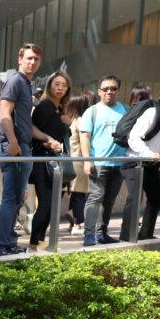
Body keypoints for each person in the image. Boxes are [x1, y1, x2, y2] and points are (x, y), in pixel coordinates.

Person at [0, 43, 59, 256]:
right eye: (29, 58)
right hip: (13, 147)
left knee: (17, 198)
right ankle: (1, 245)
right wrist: (12, 141)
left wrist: (48, 138)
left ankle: (9, 242)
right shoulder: (15, 82)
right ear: (20, 59)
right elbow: (4, 113)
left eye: (36, 59)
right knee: (10, 197)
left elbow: (26, 122)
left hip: (22, 147)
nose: (32, 62)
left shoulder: (26, 84)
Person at [123, 83, 160, 241]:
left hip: (152, 162)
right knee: (134, 197)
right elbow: (133, 137)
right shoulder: (151, 113)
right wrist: (148, 153)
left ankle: (146, 234)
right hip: (134, 160)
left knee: (156, 198)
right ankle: (126, 236)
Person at [79, 76, 128, 246]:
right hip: (99, 162)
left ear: (118, 91)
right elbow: (84, 137)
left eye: (113, 88)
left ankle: (101, 233)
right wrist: (87, 161)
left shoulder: (126, 110)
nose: (109, 92)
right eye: (105, 89)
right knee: (96, 196)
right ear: (99, 91)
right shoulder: (92, 111)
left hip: (119, 163)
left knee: (109, 200)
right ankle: (89, 234)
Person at [27, 72, 72, 250]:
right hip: (42, 161)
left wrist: (67, 123)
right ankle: (33, 241)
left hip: (56, 163)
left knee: (52, 204)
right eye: (56, 84)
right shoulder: (44, 106)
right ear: (49, 86)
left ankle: (40, 240)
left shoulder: (60, 109)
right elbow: (33, 134)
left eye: (64, 85)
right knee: (45, 203)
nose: (60, 88)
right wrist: (48, 144)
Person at [64, 91, 94, 235]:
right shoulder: (77, 120)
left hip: (78, 162)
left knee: (78, 194)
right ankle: (75, 221)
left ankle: (78, 223)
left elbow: (83, 142)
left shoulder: (80, 120)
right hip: (74, 161)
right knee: (75, 193)